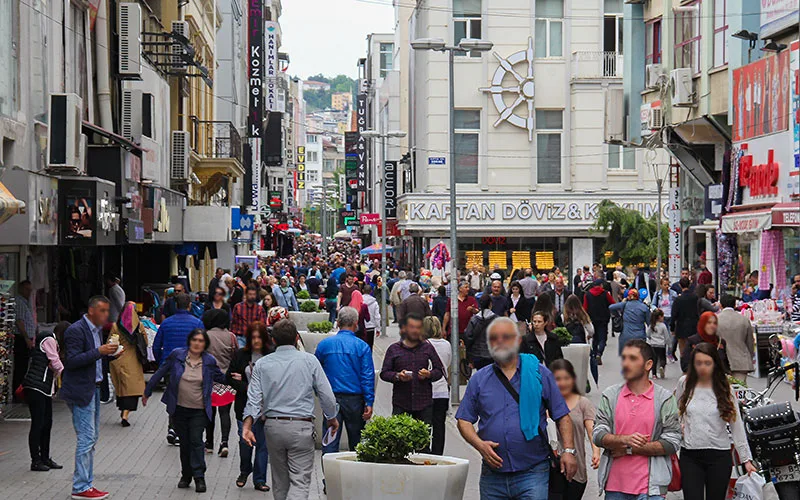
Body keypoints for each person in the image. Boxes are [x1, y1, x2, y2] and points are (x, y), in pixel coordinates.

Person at [456, 317, 577, 500]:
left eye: (506, 336)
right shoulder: (479, 379)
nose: (500, 341)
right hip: (493, 476)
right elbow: (464, 420)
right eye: (494, 338)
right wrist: (479, 445)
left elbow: (562, 416)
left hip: (533, 473)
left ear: (518, 340)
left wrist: (568, 451)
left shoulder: (539, 374)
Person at [241, 319, 339, 500]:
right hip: (301, 427)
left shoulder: (262, 364)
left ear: (273, 340)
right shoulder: (310, 361)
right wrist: (331, 417)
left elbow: (253, 399)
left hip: (273, 427)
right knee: (300, 482)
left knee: (280, 481)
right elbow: (327, 395)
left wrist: (247, 426)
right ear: (296, 338)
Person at [593, 339, 682, 500]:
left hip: (651, 490)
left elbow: (672, 441)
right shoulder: (610, 396)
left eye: (633, 359)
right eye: (624, 358)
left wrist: (630, 449)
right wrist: (624, 439)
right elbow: (598, 434)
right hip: (614, 487)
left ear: (648, 365)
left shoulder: (664, 399)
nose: (626, 363)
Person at [143, 329, 227, 493]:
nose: (197, 343)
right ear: (189, 341)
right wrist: (148, 390)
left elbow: (221, 378)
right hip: (179, 409)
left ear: (205, 344)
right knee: (185, 444)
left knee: (196, 441)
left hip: (199, 410)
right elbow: (161, 371)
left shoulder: (209, 361)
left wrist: (236, 379)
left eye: (201, 341)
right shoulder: (177, 355)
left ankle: (199, 477)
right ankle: (186, 475)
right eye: (194, 340)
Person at [676, 343, 756, 500]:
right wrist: (680, 427)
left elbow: (736, 426)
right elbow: (677, 411)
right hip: (690, 454)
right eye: (698, 363)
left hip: (719, 454)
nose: (703, 367)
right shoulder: (684, 383)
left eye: (707, 363)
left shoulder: (724, 387)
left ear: (715, 364)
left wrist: (746, 459)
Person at [60, 296, 118, 500]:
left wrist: (109, 354)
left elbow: (95, 359)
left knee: (92, 437)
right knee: (86, 437)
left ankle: (87, 483)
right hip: (80, 390)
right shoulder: (76, 330)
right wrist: (99, 351)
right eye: (102, 311)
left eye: (107, 311)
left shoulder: (97, 330)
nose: (106, 315)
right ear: (91, 311)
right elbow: (72, 361)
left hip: (94, 388)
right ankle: (80, 486)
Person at [315, 307, 375, 459]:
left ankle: (328, 472)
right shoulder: (362, 346)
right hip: (355, 400)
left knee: (330, 440)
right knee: (357, 443)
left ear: (338, 322)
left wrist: (319, 393)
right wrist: (369, 401)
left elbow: (315, 373)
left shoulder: (324, 345)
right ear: (356, 323)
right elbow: (367, 376)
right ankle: (354, 470)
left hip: (331, 398)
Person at [152, 293, 204, 445]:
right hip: (190, 366)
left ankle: (172, 427)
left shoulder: (166, 323)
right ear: (189, 305)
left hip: (170, 366)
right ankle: (181, 430)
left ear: (175, 305)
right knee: (188, 398)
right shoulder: (197, 323)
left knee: (173, 397)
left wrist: (161, 362)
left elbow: (156, 346)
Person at [227, 322, 273, 491]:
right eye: (253, 337)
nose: (256, 341)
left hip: (266, 408)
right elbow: (229, 377)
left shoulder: (271, 356)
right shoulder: (241, 355)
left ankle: (260, 479)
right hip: (244, 406)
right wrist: (246, 387)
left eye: (259, 337)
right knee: (245, 442)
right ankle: (245, 470)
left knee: (262, 445)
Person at [380, 313, 444, 427]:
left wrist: (429, 374)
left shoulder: (427, 347)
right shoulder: (394, 349)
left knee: (424, 436)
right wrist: (398, 376)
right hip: (401, 402)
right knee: (400, 436)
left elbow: (439, 370)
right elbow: (384, 373)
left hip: (423, 403)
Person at [550, 359, 601, 500]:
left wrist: (596, 451)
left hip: (576, 470)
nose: (562, 383)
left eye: (566, 378)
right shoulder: (545, 403)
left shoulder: (583, 403)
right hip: (550, 470)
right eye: (557, 379)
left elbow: (591, 430)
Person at [22, 321, 67, 472]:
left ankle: (45, 458)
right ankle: (36, 460)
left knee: (47, 423)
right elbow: (55, 362)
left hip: (44, 389)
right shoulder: (48, 339)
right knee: (38, 424)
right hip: (36, 387)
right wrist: (63, 371)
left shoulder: (53, 342)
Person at [202, 309, 238, 457]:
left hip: (209, 379)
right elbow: (236, 356)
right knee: (225, 412)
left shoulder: (206, 335)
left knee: (209, 412)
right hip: (226, 379)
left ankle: (209, 443)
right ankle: (224, 442)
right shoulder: (231, 336)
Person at [108, 302, 148, 427]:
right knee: (133, 391)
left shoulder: (116, 326)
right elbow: (145, 342)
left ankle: (123, 412)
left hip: (120, 360)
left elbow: (111, 343)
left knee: (123, 390)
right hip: (134, 362)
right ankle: (125, 414)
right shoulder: (139, 326)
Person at [422, 316, 451, 456]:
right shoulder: (447, 344)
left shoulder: (422, 345)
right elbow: (448, 363)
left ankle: (424, 453)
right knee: (439, 426)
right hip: (442, 390)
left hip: (426, 390)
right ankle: (438, 455)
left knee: (424, 425)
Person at [717, 294, 755, 383]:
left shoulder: (715, 320)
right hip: (741, 361)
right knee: (740, 388)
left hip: (721, 361)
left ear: (720, 305)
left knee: (723, 389)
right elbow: (750, 341)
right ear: (735, 305)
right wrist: (750, 356)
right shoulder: (744, 320)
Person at [13, 280, 37, 402]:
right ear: (21, 289)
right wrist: (27, 338)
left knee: (24, 366)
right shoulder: (19, 302)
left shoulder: (25, 302)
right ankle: (17, 394)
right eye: (27, 290)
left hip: (27, 338)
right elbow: (19, 321)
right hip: (22, 338)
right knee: (21, 367)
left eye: (30, 290)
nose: (29, 292)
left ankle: (21, 392)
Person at [583, 279, 615, 365]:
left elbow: (585, 307)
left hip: (592, 319)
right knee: (602, 338)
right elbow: (612, 303)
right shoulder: (605, 293)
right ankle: (599, 353)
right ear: (601, 285)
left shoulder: (587, 294)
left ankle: (594, 354)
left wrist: (585, 318)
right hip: (603, 319)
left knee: (595, 338)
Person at [609, 289, 651, 355]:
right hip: (639, 336)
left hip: (626, 336)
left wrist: (618, 315)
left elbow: (611, 307)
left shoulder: (625, 304)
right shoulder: (644, 307)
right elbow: (649, 323)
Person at [464, 294, 498, 370]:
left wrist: (469, 356)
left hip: (477, 355)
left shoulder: (474, 320)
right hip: (493, 355)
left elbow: (468, 337)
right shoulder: (497, 320)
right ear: (490, 304)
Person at [671, 277, 699, 360]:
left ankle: (684, 364)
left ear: (680, 285)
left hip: (681, 327)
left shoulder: (678, 299)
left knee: (682, 350)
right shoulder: (695, 298)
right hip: (693, 326)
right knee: (693, 348)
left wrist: (672, 327)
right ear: (689, 285)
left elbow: (674, 314)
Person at [651, 278, 678, 362]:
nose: (666, 286)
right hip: (661, 318)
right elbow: (653, 304)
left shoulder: (673, 294)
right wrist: (656, 309)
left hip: (671, 317)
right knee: (661, 337)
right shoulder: (657, 294)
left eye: (667, 285)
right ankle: (662, 354)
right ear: (661, 285)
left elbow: (676, 304)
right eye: (664, 285)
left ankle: (669, 353)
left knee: (671, 337)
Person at [646, 309, 669, 379]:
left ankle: (654, 374)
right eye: (662, 316)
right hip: (661, 344)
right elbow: (666, 335)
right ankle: (661, 366)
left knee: (654, 359)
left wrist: (651, 338)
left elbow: (648, 334)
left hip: (653, 344)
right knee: (662, 358)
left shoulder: (652, 325)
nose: (663, 318)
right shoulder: (663, 326)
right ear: (659, 317)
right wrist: (668, 343)